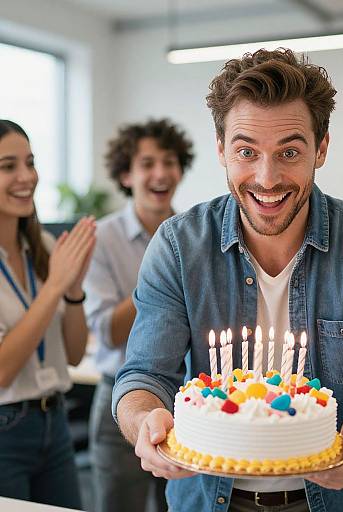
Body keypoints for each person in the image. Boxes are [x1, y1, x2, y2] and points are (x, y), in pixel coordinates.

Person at [112, 49, 343, 512]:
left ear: (321, 148)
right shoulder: (179, 246)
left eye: (289, 151)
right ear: (220, 148)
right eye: (246, 151)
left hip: (334, 500)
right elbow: (142, 375)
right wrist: (144, 421)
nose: (267, 177)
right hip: (204, 499)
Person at [83, 118, 194, 512]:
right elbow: (107, 331)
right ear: (126, 175)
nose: (160, 173)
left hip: (184, 403)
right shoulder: (102, 238)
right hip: (121, 405)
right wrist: (159, 271)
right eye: (147, 163)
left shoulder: (196, 235)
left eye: (169, 161)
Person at [0, 120, 96, 508]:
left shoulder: (41, 245)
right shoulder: (51, 262)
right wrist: (56, 285)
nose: (27, 177)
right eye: (8, 166)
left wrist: (72, 292)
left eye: (31, 162)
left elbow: (73, 354)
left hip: (53, 422)